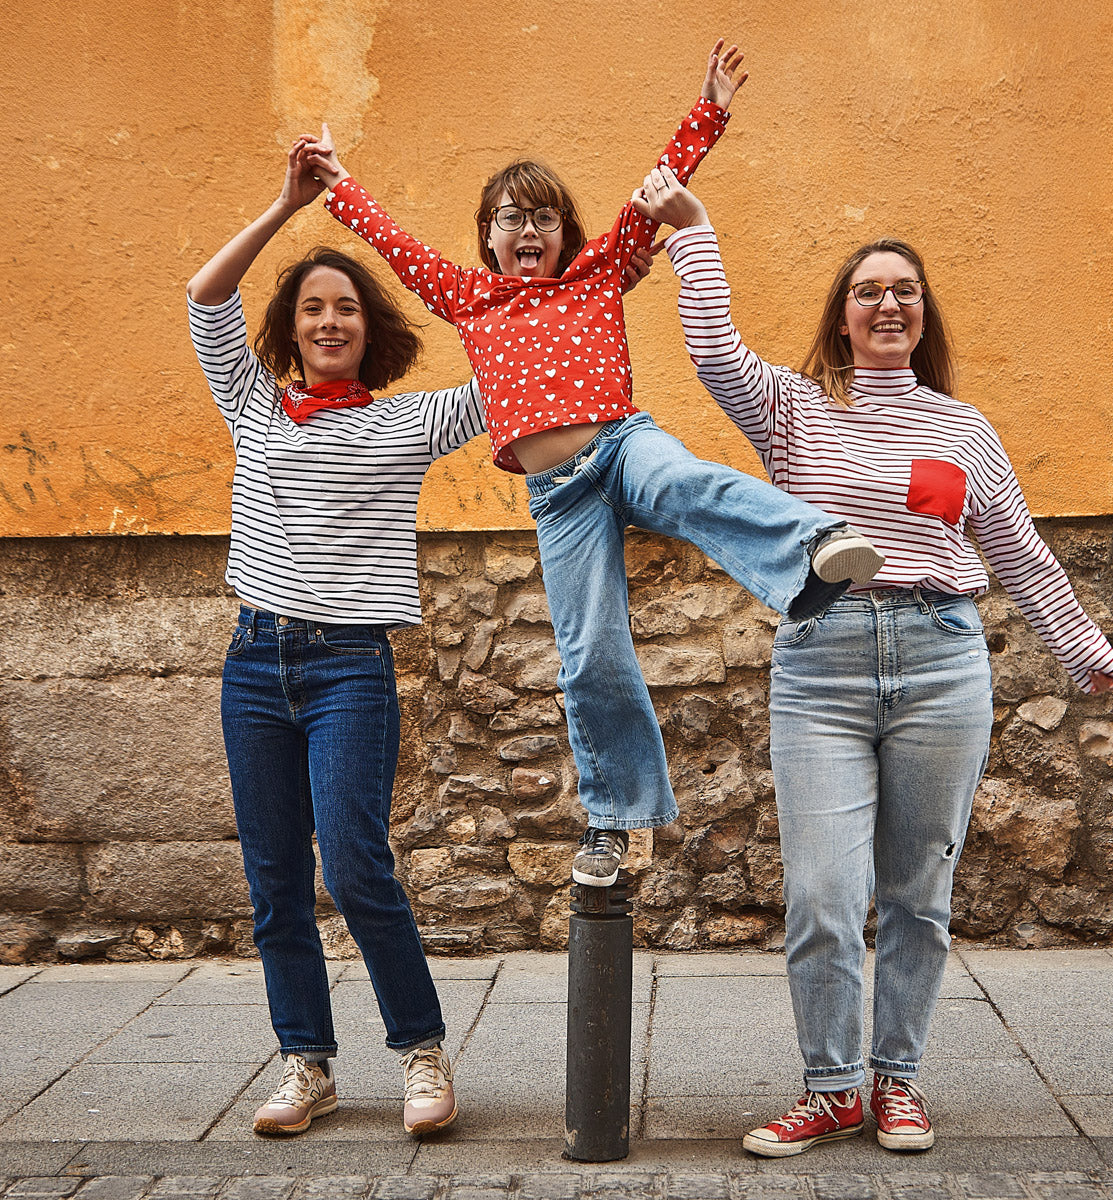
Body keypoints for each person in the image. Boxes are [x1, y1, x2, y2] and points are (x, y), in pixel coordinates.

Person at [301, 41, 885, 889]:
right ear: (490, 238)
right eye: (510, 217)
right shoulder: (468, 296)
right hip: (559, 497)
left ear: (564, 232)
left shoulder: (598, 271)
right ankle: (613, 822)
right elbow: (393, 243)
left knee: (687, 484)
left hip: (621, 443)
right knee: (591, 652)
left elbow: (659, 186)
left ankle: (815, 549)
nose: (527, 229)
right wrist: (337, 182)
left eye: (541, 217)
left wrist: (710, 108)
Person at [633, 164, 1113, 1155]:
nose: (888, 302)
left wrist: (1084, 650)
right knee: (822, 894)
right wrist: (691, 229)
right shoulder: (794, 410)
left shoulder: (964, 429)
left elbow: (1018, 552)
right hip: (822, 660)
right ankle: (830, 1087)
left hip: (944, 663)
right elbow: (713, 352)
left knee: (919, 892)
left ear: (923, 314)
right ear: (844, 318)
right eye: (869, 291)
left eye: (905, 289)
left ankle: (896, 1081)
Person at [185, 138, 489, 1138]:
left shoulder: (408, 423)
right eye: (312, 306)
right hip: (253, 662)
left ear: (370, 332)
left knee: (355, 862)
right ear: (291, 326)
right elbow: (203, 293)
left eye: (345, 307)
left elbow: (511, 372)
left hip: (351, 666)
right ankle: (306, 1063)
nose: (327, 319)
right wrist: (286, 205)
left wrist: (531, 275)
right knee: (274, 873)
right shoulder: (255, 403)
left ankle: (421, 1050)